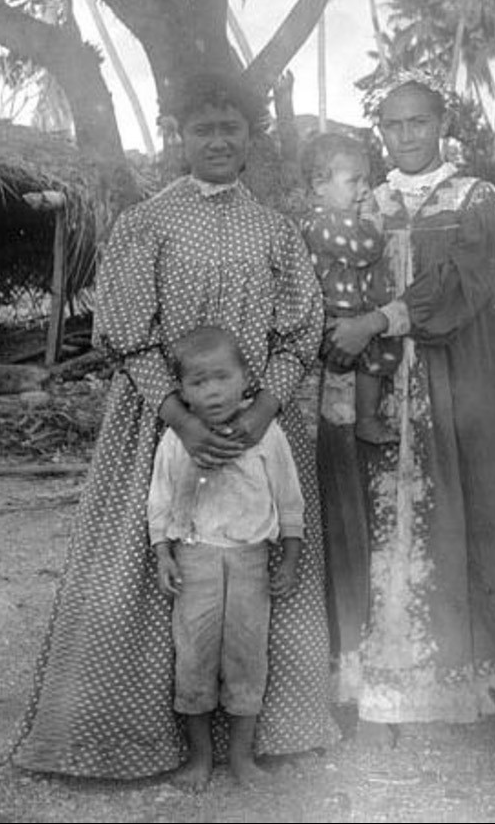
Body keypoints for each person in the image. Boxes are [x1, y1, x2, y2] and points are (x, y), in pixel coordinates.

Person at [13, 70, 337, 779]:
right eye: (203, 128)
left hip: (258, 430)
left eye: (231, 128)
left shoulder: (276, 229)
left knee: (258, 574)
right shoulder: (146, 223)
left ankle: (256, 739)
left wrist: (259, 412)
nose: (218, 140)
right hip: (160, 427)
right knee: (157, 568)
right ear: (178, 136)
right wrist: (181, 422)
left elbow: (300, 330)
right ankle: (143, 737)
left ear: (252, 138)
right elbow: (126, 331)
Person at [322, 68, 495, 737]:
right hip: (380, 379)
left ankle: (464, 680)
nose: (406, 134)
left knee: (470, 506)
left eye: (418, 121)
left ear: (442, 124)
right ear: (379, 131)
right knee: (382, 516)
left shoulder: (477, 198)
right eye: (393, 124)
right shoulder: (368, 201)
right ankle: (383, 682)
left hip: (461, 373)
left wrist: (378, 320)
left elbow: (462, 284)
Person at [148, 326, 305, 790]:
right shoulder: (178, 440)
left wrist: (291, 560)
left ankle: (241, 758)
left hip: (251, 562)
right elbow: (159, 501)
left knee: (247, 657)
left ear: (246, 379)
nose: (212, 391)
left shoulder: (267, 435)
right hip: (194, 560)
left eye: (221, 378)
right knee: (193, 658)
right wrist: (163, 555)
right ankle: (200, 758)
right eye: (198, 382)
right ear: (181, 391)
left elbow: (289, 500)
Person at [302, 133, 401, 447]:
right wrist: (374, 220)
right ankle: (361, 423)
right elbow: (366, 248)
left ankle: (362, 421)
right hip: (335, 313)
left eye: (367, 180)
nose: (364, 190)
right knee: (347, 375)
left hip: (352, 311)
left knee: (372, 358)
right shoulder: (324, 222)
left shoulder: (338, 219)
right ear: (320, 186)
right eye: (354, 181)